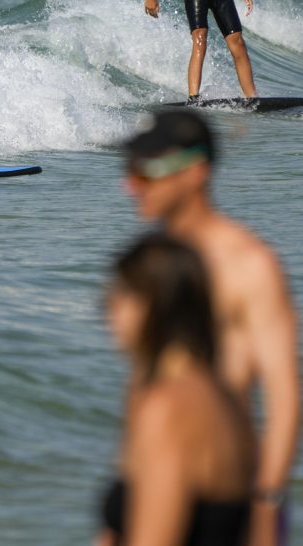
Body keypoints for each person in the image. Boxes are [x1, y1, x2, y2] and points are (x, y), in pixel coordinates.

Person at [122, 110, 303, 546]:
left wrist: (265, 503)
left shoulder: (248, 265)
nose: (131, 185)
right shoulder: (151, 262)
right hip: (152, 472)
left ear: (196, 172)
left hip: (222, 488)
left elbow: (285, 396)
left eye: (148, 172)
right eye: (130, 170)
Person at [98, 233, 254, 546]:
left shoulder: (171, 408)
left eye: (121, 293)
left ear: (156, 304)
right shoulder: (221, 396)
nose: (105, 307)